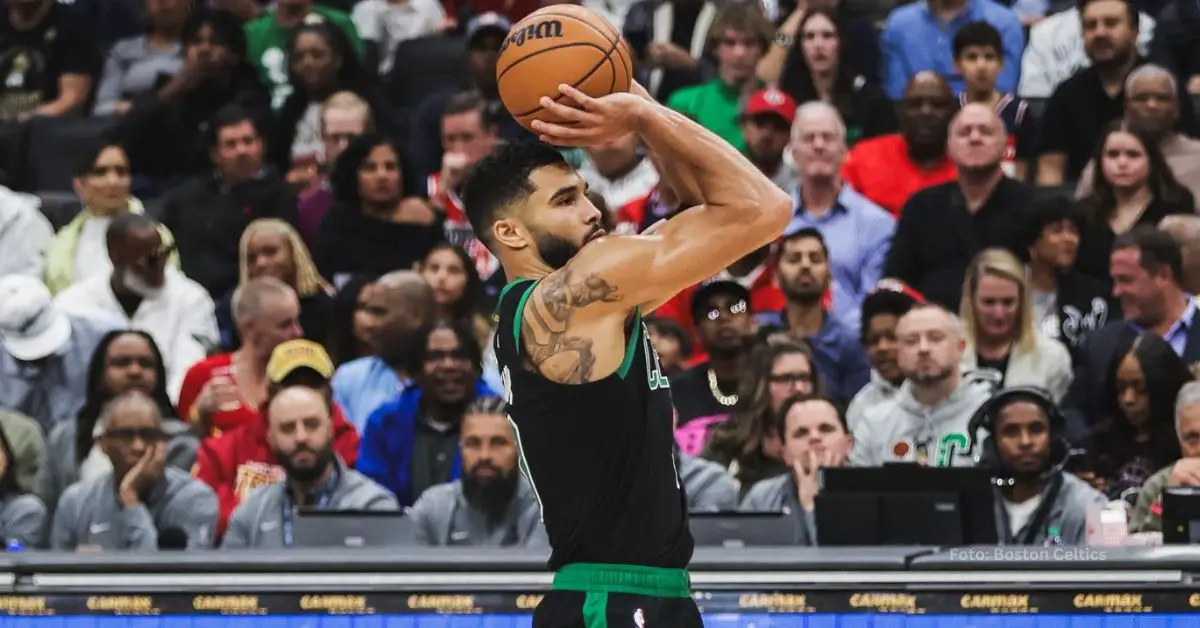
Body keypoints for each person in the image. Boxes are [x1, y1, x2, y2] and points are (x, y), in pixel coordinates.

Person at [463, 76, 790, 624]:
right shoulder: (575, 296)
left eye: (586, 192)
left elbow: (709, 208)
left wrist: (648, 110)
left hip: (640, 595)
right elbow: (764, 208)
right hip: (611, 600)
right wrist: (645, 117)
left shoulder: (590, 300)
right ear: (511, 234)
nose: (592, 210)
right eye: (566, 200)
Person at [54, 213, 219, 400]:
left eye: (164, 254)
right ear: (116, 258)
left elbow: (188, 371)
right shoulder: (71, 304)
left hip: (166, 413)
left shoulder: (191, 298)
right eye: (149, 260)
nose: (160, 268)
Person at [221, 385, 397, 549]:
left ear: (330, 430)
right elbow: (227, 579)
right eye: (287, 428)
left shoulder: (373, 507)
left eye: (312, 425)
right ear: (271, 440)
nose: (301, 437)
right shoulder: (252, 511)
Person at [50, 392, 218, 550]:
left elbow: (168, 577)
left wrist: (131, 499)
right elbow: (54, 576)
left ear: (163, 441)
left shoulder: (197, 499)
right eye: (125, 436)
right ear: (103, 444)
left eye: (149, 435)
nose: (139, 446)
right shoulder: (75, 502)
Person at [850, 304, 996, 467]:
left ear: (960, 347)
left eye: (935, 338)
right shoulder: (874, 424)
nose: (923, 348)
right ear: (899, 352)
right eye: (911, 341)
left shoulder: (992, 414)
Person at [971, 388, 1107, 545]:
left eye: (1036, 430)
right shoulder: (969, 507)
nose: (1025, 442)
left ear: (1053, 439)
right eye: (1011, 432)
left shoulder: (1089, 506)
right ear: (992, 444)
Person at [407, 396, 545, 546]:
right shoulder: (433, 508)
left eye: (498, 443)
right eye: (473, 443)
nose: (484, 456)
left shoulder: (544, 510)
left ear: (519, 449)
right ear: (461, 449)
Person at [957, 248, 1074, 401]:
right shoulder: (947, 354)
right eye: (989, 302)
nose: (999, 313)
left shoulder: (1052, 357)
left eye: (1008, 302)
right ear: (971, 301)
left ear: (1022, 302)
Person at [740, 393, 852, 544]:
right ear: (785, 452)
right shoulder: (761, 499)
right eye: (801, 433)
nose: (814, 437)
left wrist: (815, 507)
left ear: (848, 445)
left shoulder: (872, 493)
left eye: (826, 429)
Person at [953, 21, 1034, 180]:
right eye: (972, 57)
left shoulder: (1018, 111)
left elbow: (1023, 171)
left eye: (989, 57)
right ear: (957, 65)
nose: (981, 65)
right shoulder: (951, 110)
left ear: (1001, 64)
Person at [1129, 381, 1200, 533]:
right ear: (1179, 439)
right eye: (1193, 438)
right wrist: (1166, 501)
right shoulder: (1157, 486)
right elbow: (1136, 552)